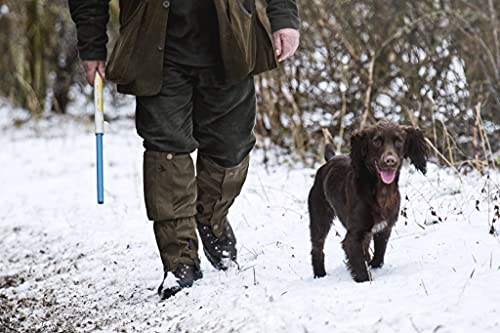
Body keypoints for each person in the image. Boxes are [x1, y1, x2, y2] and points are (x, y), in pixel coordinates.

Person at [68, 0, 300, 299]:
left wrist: (284, 17)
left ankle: (211, 217)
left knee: (232, 146)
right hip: (154, 46)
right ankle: (179, 259)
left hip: (231, 41)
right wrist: (92, 44)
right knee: (166, 149)